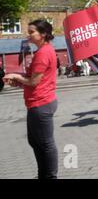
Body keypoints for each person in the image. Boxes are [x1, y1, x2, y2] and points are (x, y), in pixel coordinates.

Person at [3, 19, 58, 179]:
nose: (28, 35)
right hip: (38, 102)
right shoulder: (44, 51)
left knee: (46, 144)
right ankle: (44, 174)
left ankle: (50, 176)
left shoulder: (43, 53)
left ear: (44, 34)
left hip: (41, 103)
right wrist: (19, 82)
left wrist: (15, 76)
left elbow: (34, 82)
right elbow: (32, 80)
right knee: (35, 142)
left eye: (31, 32)